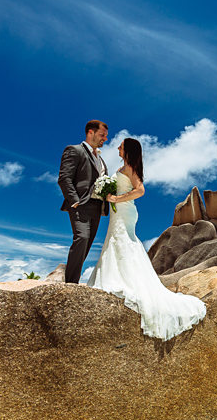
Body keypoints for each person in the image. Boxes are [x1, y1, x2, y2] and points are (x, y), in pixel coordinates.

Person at [87, 137, 206, 340]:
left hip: (125, 211)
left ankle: (123, 280)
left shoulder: (131, 167)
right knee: (117, 240)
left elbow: (140, 190)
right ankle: (117, 276)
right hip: (120, 212)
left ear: (128, 150)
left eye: (121, 146)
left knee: (122, 240)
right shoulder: (124, 167)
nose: (117, 147)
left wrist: (116, 199)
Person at [58, 120, 109, 284]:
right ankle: (70, 284)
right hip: (80, 205)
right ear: (90, 133)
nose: (105, 139)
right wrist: (74, 201)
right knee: (82, 238)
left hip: (97, 208)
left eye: (106, 136)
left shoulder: (101, 160)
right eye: (102, 135)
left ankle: (73, 281)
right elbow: (64, 178)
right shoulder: (74, 150)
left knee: (86, 244)